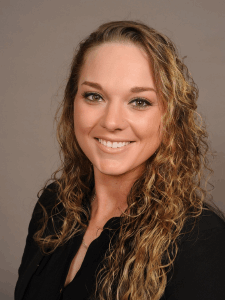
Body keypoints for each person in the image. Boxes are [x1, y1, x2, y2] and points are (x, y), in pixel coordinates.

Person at [15, 20, 225, 300]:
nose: (112, 122)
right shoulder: (54, 206)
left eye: (139, 102)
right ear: (72, 104)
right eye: (94, 96)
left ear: (170, 115)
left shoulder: (200, 240)